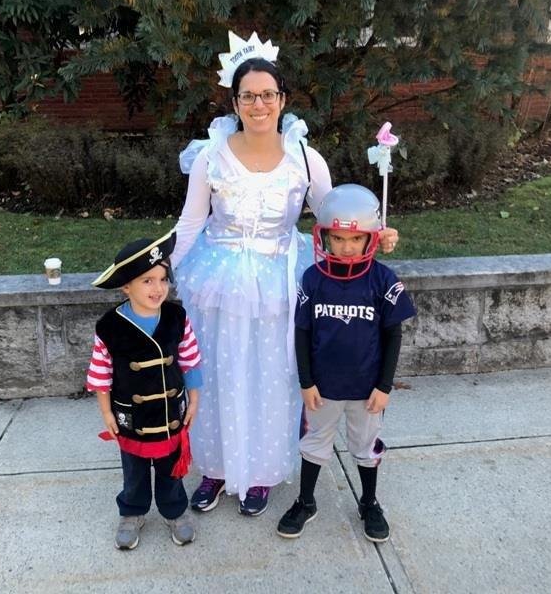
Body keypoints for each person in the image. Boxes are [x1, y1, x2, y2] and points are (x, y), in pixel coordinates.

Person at [171, 31, 400, 516]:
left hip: (280, 278)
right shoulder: (211, 156)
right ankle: (215, 468)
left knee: (274, 375)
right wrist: (169, 276)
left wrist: (376, 230)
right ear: (235, 101)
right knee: (218, 374)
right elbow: (192, 221)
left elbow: (334, 214)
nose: (259, 104)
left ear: (282, 100)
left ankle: (260, 473)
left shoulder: (304, 157)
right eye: (248, 95)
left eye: (268, 94)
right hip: (221, 280)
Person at [275, 184, 416, 541]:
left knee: (365, 448)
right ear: (325, 237)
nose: (346, 247)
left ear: (371, 238)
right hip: (323, 387)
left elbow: (393, 336)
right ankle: (306, 501)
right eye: (337, 238)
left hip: (367, 389)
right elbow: (302, 333)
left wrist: (384, 387)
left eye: (355, 239)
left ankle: (369, 502)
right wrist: (306, 382)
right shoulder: (313, 278)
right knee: (314, 444)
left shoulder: (382, 279)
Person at [85, 230, 202, 549]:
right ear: (127, 286)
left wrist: (194, 399)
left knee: (170, 470)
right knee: (134, 470)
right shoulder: (109, 327)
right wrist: (106, 411)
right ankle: (132, 512)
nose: (158, 288)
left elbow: (191, 360)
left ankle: (175, 511)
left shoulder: (177, 316)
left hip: (170, 413)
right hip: (130, 414)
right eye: (147, 281)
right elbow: (101, 373)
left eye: (163, 279)